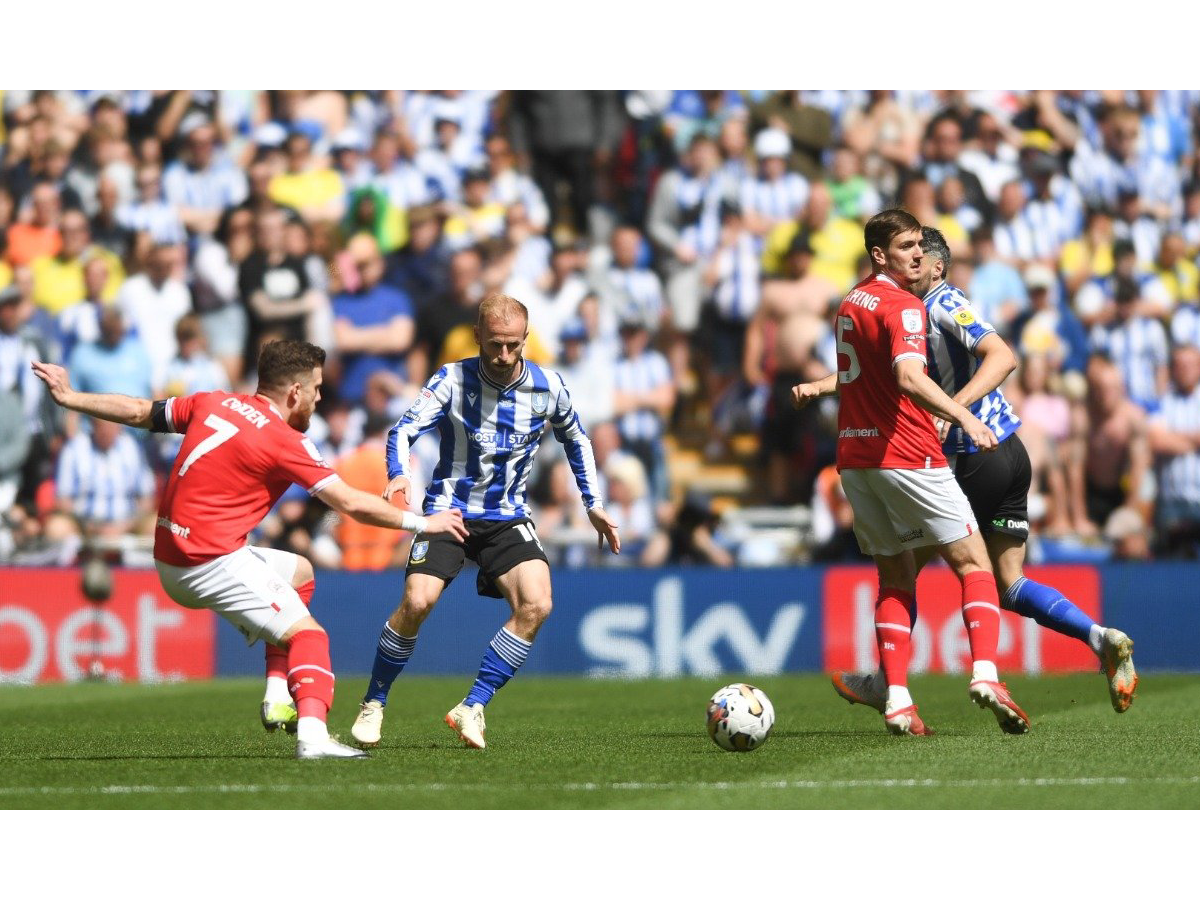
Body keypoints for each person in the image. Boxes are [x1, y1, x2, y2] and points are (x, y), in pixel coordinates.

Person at [31, 340, 468, 760]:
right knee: (310, 636)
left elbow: (141, 411)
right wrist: (422, 523)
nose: (318, 399)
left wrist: (72, 398)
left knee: (299, 572)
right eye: (316, 390)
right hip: (207, 560)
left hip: (170, 553)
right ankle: (314, 738)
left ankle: (278, 695)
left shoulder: (213, 401)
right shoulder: (284, 441)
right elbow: (351, 503)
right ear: (295, 392)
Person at [830, 227, 1137, 716]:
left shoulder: (941, 303)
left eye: (919, 255)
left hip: (972, 454)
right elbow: (885, 372)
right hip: (1008, 451)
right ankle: (1100, 637)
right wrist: (825, 385)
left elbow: (1003, 356)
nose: (909, 263)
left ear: (937, 266)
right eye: (903, 253)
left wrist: (956, 410)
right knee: (1009, 584)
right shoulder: (907, 310)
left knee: (903, 569)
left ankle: (891, 685)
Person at [790, 209, 1028, 737]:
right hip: (910, 455)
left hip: (856, 460)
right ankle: (986, 674)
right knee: (974, 565)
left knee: (895, 578)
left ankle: (897, 698)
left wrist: (819, 386)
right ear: (880, 255)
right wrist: (963, 413)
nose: (918, 254)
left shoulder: (852, 302)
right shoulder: (906, 307)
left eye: (920, 244)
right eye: (905, 246)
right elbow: (906, 377)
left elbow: (863, 374)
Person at [350, 293, 620, 750]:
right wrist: (398, 474)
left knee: (537, 603)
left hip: (507, 515)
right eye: (494, 344)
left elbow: (578, 440)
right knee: (417, 601)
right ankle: (374, 702)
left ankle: (472, 706)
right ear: (477, 336)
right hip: (448, 512)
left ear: (526, 340)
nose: (503, 355)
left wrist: (592, 501)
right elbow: (403, 430)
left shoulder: (547, 386)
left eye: (514, 346)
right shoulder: (453, 379)